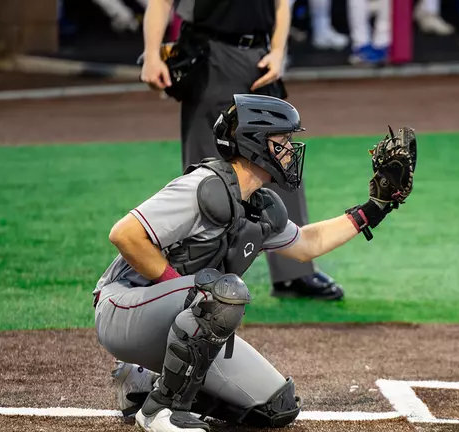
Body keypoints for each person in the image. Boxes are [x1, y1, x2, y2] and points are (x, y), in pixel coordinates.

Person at [93, 94, 416, 432]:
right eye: (283, 142)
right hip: (123, 308)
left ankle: (143, 386)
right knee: (221, 294)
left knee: (277, 407)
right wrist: (183, 290)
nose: (291, 151)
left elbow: (307, 245)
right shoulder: (201, 188)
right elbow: (125, 234)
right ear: (257, 143)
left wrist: (374, 207)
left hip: (181, 315)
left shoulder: (257, 207)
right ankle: (160, 411)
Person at [139, 0, 345, 301]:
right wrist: (151, 54)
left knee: (281, 157)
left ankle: (293, 273)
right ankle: (198, 276)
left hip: (259, 60)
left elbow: (281, 4)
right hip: (211, 56)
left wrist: (277, 52)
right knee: (207, 169)